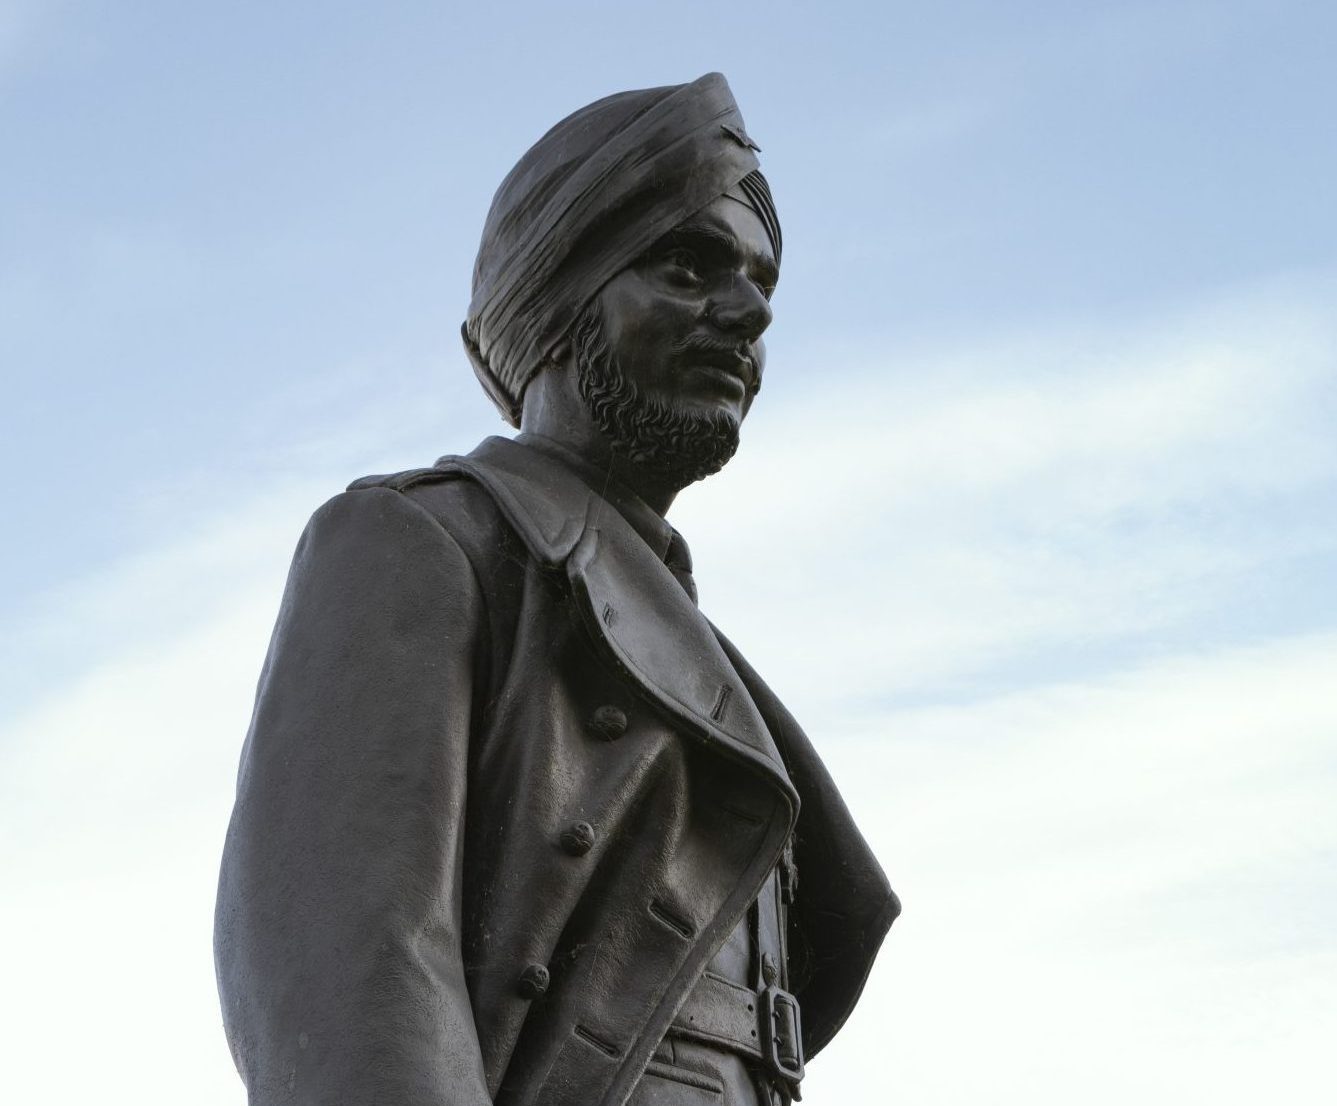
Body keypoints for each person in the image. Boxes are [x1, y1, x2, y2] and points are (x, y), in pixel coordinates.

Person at [215, 73, 898, 1106]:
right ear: (559, 304)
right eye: (688, 265)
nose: (748, 309)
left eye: (760, 280)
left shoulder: (698, 645)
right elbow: (356, 967)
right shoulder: (421, 542)